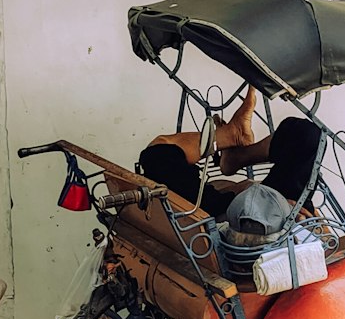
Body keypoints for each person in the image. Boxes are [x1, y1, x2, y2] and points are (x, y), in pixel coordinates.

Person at [137, 88, 321, 220]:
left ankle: (230, 140)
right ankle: (234, 148)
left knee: (158, 151)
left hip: (247, 216)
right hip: (260, 213)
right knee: (306, 134)